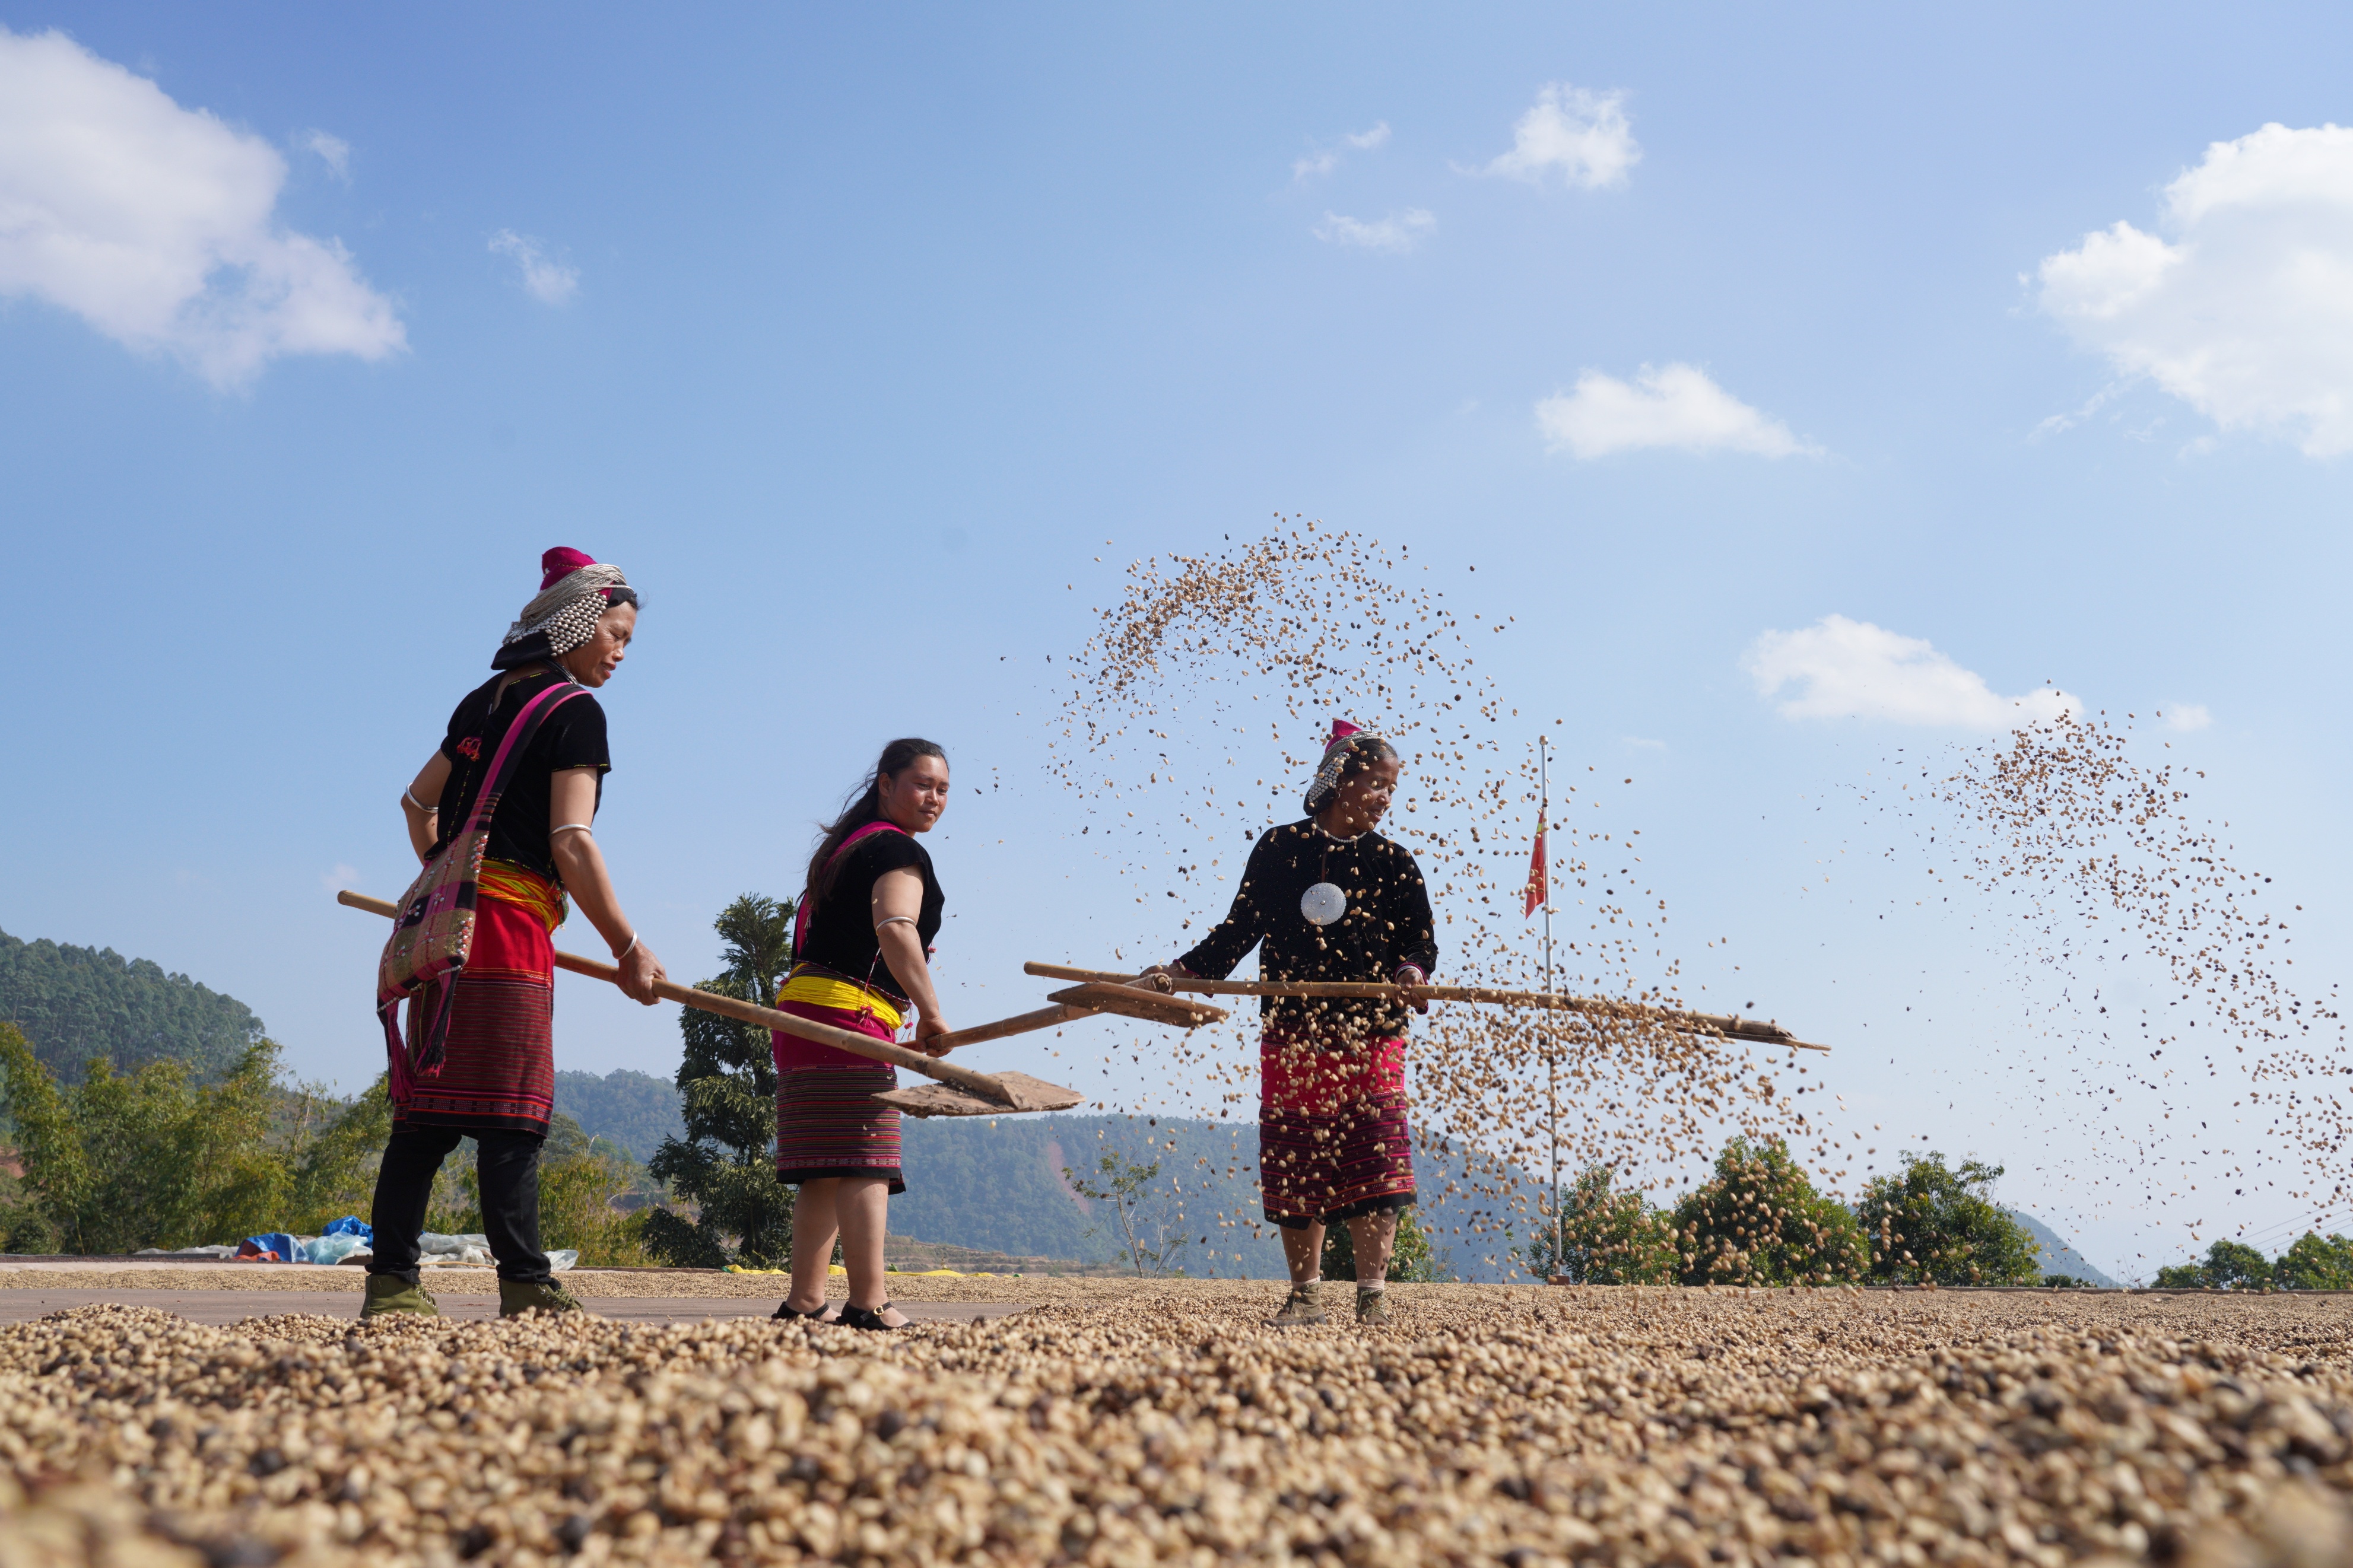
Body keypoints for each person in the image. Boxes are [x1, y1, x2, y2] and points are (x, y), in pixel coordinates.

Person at [364, 548, 667, 1320]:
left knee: (425, 1118)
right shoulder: (575, 712)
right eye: (616, 633)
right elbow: (572, 839)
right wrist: (628, 946)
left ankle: (392, 1283)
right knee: (512, 1114)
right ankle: (527, 1283)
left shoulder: (479, 701)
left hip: (447, 935)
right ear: (574, 620)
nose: (621, 653)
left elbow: (413, 803)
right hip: (509, 930)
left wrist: (446, 873)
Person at [1146, 720, 1436, 1327]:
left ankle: (1372, 1298)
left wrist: (1410, 974)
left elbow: (1418, 945)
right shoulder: (1280, 849)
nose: (1385, 798)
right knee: (1297, 1157)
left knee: (1374, 1159)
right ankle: (1305, 1296)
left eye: (1392, 789)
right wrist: (1177, 972)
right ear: (1340, 780)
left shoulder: (1395, 862)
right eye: (1378, 784)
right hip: (1292, 1036)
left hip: (1372, 1034)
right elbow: (1237, 932)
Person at [769, 739, 954, 1331]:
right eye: (922, 784)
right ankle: (868, 1303)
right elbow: (896, 927)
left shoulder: (841, 850)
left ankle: (803, 1302)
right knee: (866, 1159)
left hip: (800, 1014)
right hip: (847, 1017)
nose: (934, 799)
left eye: (943, 789)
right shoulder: (896, 850)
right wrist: (929, 1012)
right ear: (885, 784)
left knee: (824, 1162)